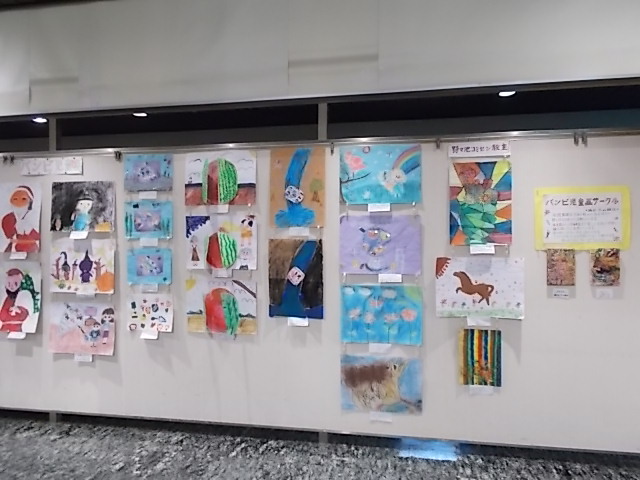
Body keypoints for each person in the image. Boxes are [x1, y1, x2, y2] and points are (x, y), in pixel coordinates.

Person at [1, 185, 39, 252]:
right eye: (15, 199)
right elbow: (7, 236)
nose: (19, 202)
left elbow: (40, 237)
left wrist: (30, 230)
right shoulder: (8, 218)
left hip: (32, 250)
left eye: (23, 199)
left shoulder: (34, 216)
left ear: (30, 202)